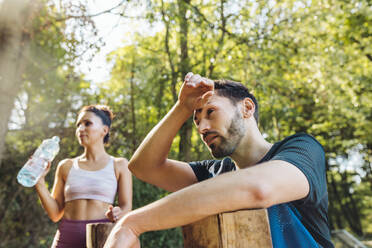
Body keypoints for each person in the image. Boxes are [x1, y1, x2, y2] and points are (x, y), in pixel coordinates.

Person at [104, 73, 334, 248]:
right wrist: (182, 107)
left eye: (211, 112)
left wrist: (133, 223)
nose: (202, 128)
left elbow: (259, 189)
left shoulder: (302, 149)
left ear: (246, 108)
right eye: (196, 121)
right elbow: (144, 167)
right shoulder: (212, 173)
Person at [35, 104, 132, 248]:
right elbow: (55, 214)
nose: (80, 129)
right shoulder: (66, 166)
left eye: (87, 123)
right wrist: (40, 183)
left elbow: (126, 208)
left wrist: (118, 213)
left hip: (101, 239)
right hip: (66, 239)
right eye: (78, 125)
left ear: (104, 130)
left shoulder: (120, 165)